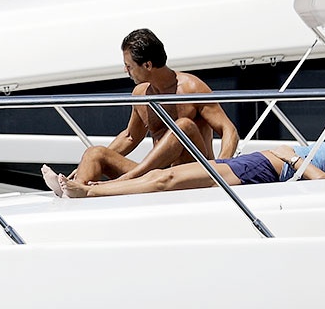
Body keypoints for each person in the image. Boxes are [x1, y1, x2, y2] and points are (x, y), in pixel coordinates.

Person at [41, 28, 238, 193]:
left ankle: (122, 181)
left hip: (191, 175)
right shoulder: (141, 94)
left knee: (184, 126)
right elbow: (130, 137)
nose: (125, 71)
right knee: (94, 153)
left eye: (129, 66)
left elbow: (229, 130)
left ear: (148, 65)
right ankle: (74, 190)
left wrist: (221, 170)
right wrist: (84, 165)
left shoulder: (191, 88)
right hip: (153, 174)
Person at [50, 110, 325, 199]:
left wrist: (292, 158)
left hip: (262, 169)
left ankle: (88, 193)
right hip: (254, 164)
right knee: (162, 176)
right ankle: (89, 187)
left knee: (166, 179)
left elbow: (323, 182)